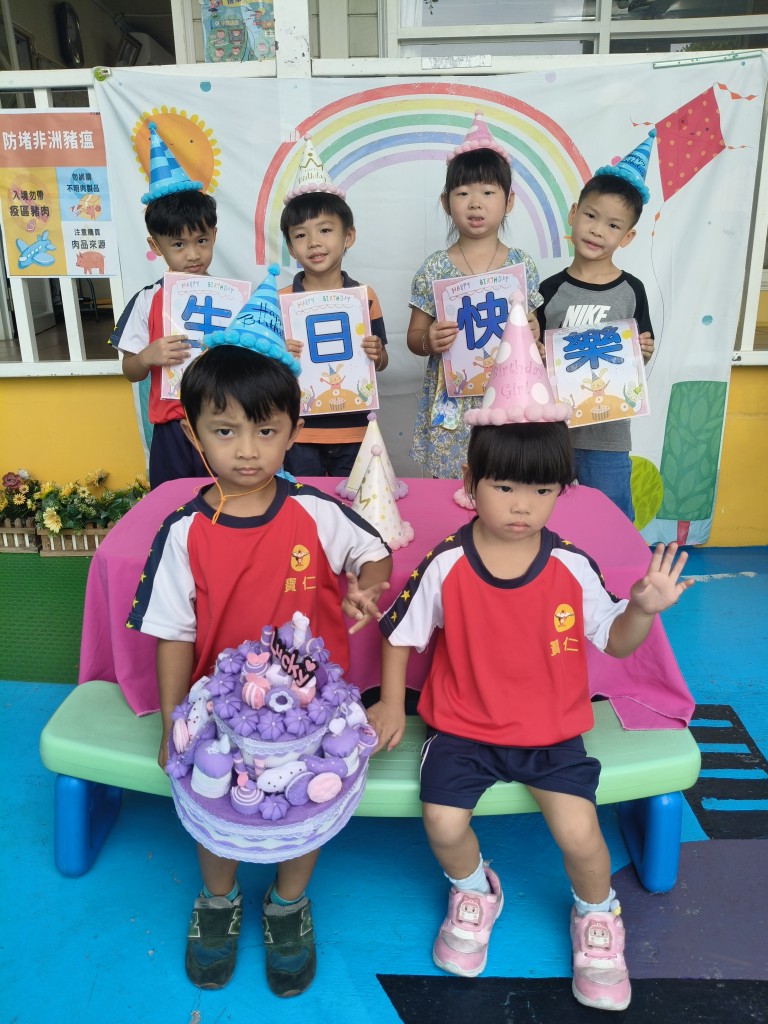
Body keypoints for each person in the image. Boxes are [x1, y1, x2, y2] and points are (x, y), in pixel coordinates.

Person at [368, 419, 692, 1012]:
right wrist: (391, 702)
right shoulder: (446, 563)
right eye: (505, 487)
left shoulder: (570, 565)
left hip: (551, 733)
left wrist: (642, 610)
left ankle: (597, 916)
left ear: (560, 490)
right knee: (442, 823)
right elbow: (398, 634)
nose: (523, 506)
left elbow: (616, 641)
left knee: (581, 836)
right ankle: (474, 892)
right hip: (462, 729)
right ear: (469, 481)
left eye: (542, 491)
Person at [127, 293, 392, 995]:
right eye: (225, 430)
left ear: (292, 431)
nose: (247, 450)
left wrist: (365, 586)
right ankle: (217, 901)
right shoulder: (184, 533)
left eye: (266, 431)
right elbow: (173, 634)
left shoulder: (316, 512)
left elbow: (375, 555)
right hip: (218, 716)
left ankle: (287, 905)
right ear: (193, 432)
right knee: (214, 814)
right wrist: (169, 723)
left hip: (310, 719)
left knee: (305, 810)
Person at [406, 112, 542, 479]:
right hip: (454, 404)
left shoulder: (521, 265)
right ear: (446, 202)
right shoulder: (435, 268)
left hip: (508, 397)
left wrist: (532, 330)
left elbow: (534, 332)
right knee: (452, 488)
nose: (475, 203)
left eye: (487, 192)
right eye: (463, 193)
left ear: (509, 201)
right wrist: (430, 340)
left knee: (504, 480)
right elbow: (414, 338)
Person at [536, 132, 657, 522]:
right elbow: (531, 355)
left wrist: (643, 349)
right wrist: (537, 352)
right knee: (550, 519)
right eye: (590, 216)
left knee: (610, 521)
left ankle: (614, 568)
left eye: (613, 225)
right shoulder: (548, 290)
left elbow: (640, 351)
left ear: (627, 236)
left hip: (608, 436)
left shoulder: (631, 290)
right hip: (553, 434)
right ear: (573, 214)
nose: (597, 230)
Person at [113, 122, 217, 489]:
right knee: (172, 500)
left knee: (225, 500)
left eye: (201, 240)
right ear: (156, 246)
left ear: (214, 235)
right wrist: (147, 356)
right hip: (171, 425)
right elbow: (130, 370)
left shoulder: (231, 297)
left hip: (224, 421)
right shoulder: (146, 299)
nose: (192, 254)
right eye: (178, 245)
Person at [279, 138, 388, 477]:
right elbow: (263, 369)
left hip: (355, 428)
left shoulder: (364, 297)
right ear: (290, 247)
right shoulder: (280, 302)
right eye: (301, 235)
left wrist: (377, 352)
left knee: (354, 500)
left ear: (348, 236)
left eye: (325, 230)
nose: (314, 242)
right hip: (298, 431)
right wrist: (278, 355)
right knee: (304, 499)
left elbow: (382, 361)